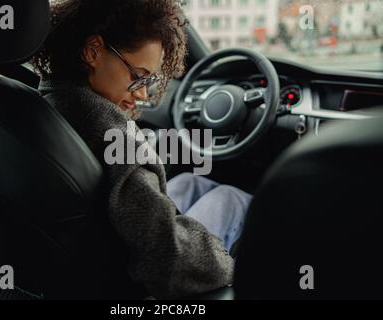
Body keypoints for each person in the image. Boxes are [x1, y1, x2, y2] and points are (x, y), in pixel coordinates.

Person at [32, 0, 252, 299]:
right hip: (130, 285)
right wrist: (229, 267)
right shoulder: (107, 127)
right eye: (137, 76)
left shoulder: (47, 98)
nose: (145, 94)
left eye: (150, 80)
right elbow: (165, 256)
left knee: (190, 182)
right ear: (93, 51)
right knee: (231, 199)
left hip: (90, 255)